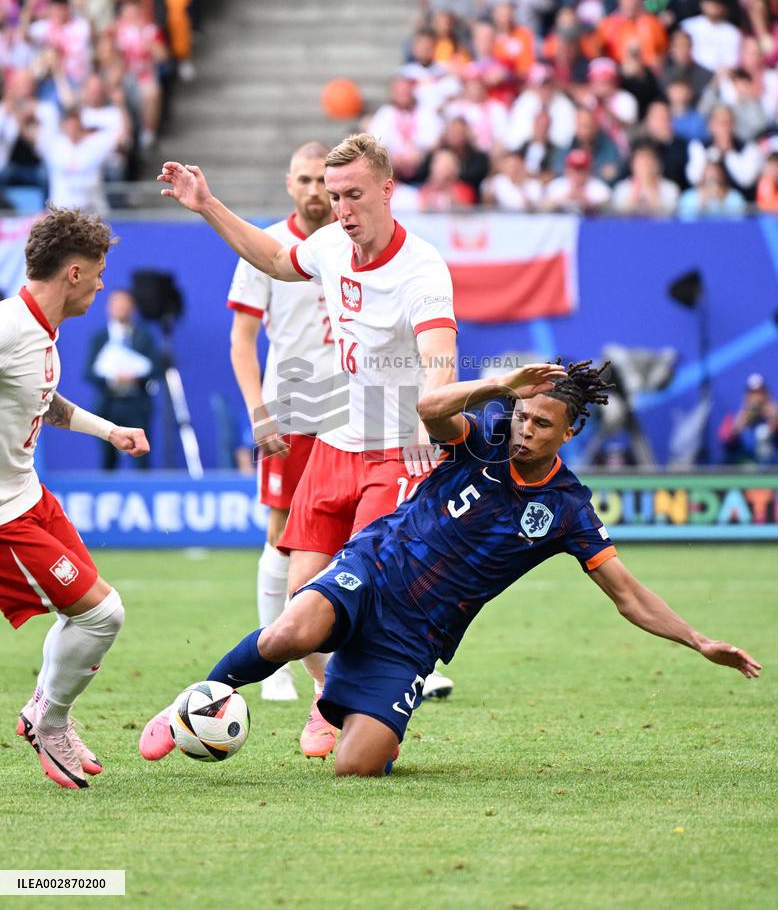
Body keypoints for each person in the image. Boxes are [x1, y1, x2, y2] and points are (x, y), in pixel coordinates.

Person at [139, 361, 761, 777]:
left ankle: (355, 706)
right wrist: (499, 386)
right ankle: (184, 708)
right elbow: (431, 408)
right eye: (523, 416)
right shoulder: (486, 433)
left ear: (568, 433)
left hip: (417, 638)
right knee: (287, 633)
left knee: (355, 769)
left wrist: (698, 640)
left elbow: (628, 595)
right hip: (375, 568)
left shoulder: (568, 509)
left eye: (542, 425)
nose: (524, 431)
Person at [152, 134, 458, 759]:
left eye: (354, 195)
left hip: (395, 451)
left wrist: (429, 419)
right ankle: (324, 705)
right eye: (335, 194)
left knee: (353, 596)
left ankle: (363, 703)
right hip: (333, 443)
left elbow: (439, 359)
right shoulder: (329, 246)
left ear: (387, 190)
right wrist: (208, 203)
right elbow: (271, 255)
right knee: (303, 603)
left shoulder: (423, 269)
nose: (342, 208)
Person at [1, 207, 149, 790]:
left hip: (31, 495)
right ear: (74, 272)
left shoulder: (40, 333)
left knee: (92, 614)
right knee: (102, 613)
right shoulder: (11, 327)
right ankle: (51, 718)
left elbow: (45, 400)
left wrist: (109, 430)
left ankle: (44, 708)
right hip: (5, 518)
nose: (103, 284)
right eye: (100, 272)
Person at [226, 142, 336, 702]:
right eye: (305, 180)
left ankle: (378, 658)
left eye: (323, 179)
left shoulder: (356, 241)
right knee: (282, 536)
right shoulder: (266, 246)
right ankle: (276, 663)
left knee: (370, 538)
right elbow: (242, 341)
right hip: (291, 413)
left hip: (356, 417)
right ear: (288, 183)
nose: (315, 190)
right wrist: (258, 412)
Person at [84, 288, 159, 470]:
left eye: (125, 305)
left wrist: (135, 377)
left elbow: (155, 368)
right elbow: (88, 373)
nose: (120, 308)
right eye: (116, 304)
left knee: (141, 460)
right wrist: (112, 378)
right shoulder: (99, 338)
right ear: (108, 308)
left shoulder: (144, 336)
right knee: (108, 460)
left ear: (132, 308)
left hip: (136, 405)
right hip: (108, 405)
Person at [719, 373, 778, 464]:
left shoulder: (773, 413)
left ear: (766, 394)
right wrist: (740, 423)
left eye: (759, 392)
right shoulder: (736, 414)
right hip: (745, 466)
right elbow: (725, 439)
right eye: (752, 393)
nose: (756, 397)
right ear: (746, 395)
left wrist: (773, 419)